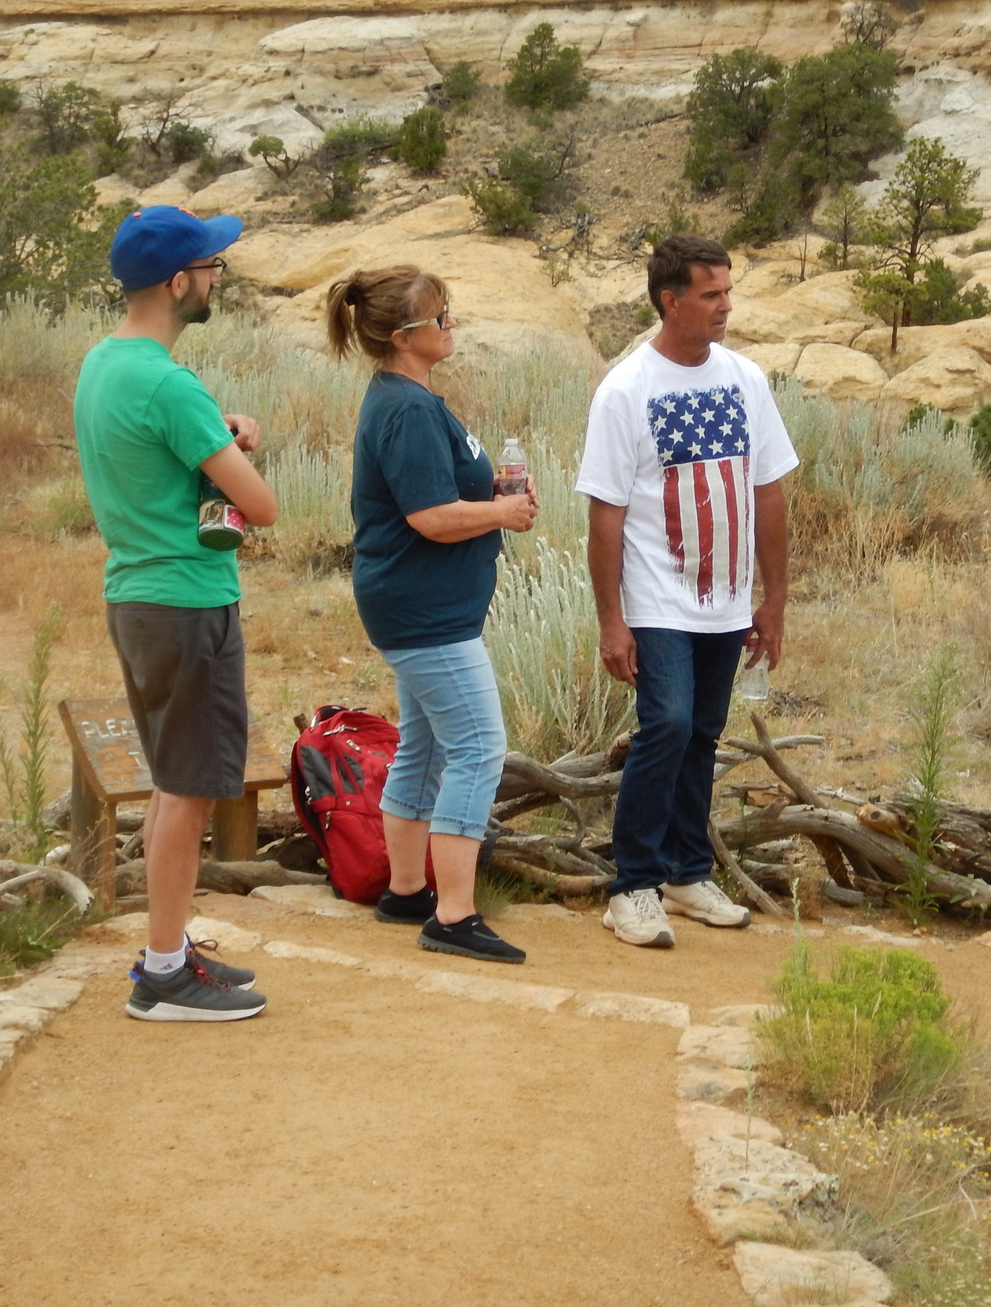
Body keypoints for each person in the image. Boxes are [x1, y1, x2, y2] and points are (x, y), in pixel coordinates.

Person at [75, 206, 278, 1023]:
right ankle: (163, 974)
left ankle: (168, 943)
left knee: (171, 779)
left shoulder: (104, 364)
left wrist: (214, 436)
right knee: (192, 788)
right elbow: (257, 507)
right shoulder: (169, 382)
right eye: (211, 266)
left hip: (137, 595)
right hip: (189, 603)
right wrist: (237, 444)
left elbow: (156, 456)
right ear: (177, 281)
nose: (217, 278)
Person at [577, 235, 799, 949]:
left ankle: (685, 870)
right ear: (671, 302)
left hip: (727, 598)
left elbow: (768, 492)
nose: (725, 307)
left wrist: (774, 598)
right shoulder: (625, 390)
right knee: (666, 724)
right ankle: (631, 884)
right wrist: (612, 620)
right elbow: (604, 515)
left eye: (728, 292)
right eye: (710, 295)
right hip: (656, 597)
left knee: (703, 732)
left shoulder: (745, 380)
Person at [328, 265, 537, 966]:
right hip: (425, 613)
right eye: (439, 320)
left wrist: (495, 504)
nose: (452, 328)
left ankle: (408, 890)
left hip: (417, 605)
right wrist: (502, 513)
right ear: (401, 336)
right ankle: (453, 914)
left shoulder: (407, 397)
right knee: (478, 748)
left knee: (425, 746)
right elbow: (431, 517)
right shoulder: (408, 409)